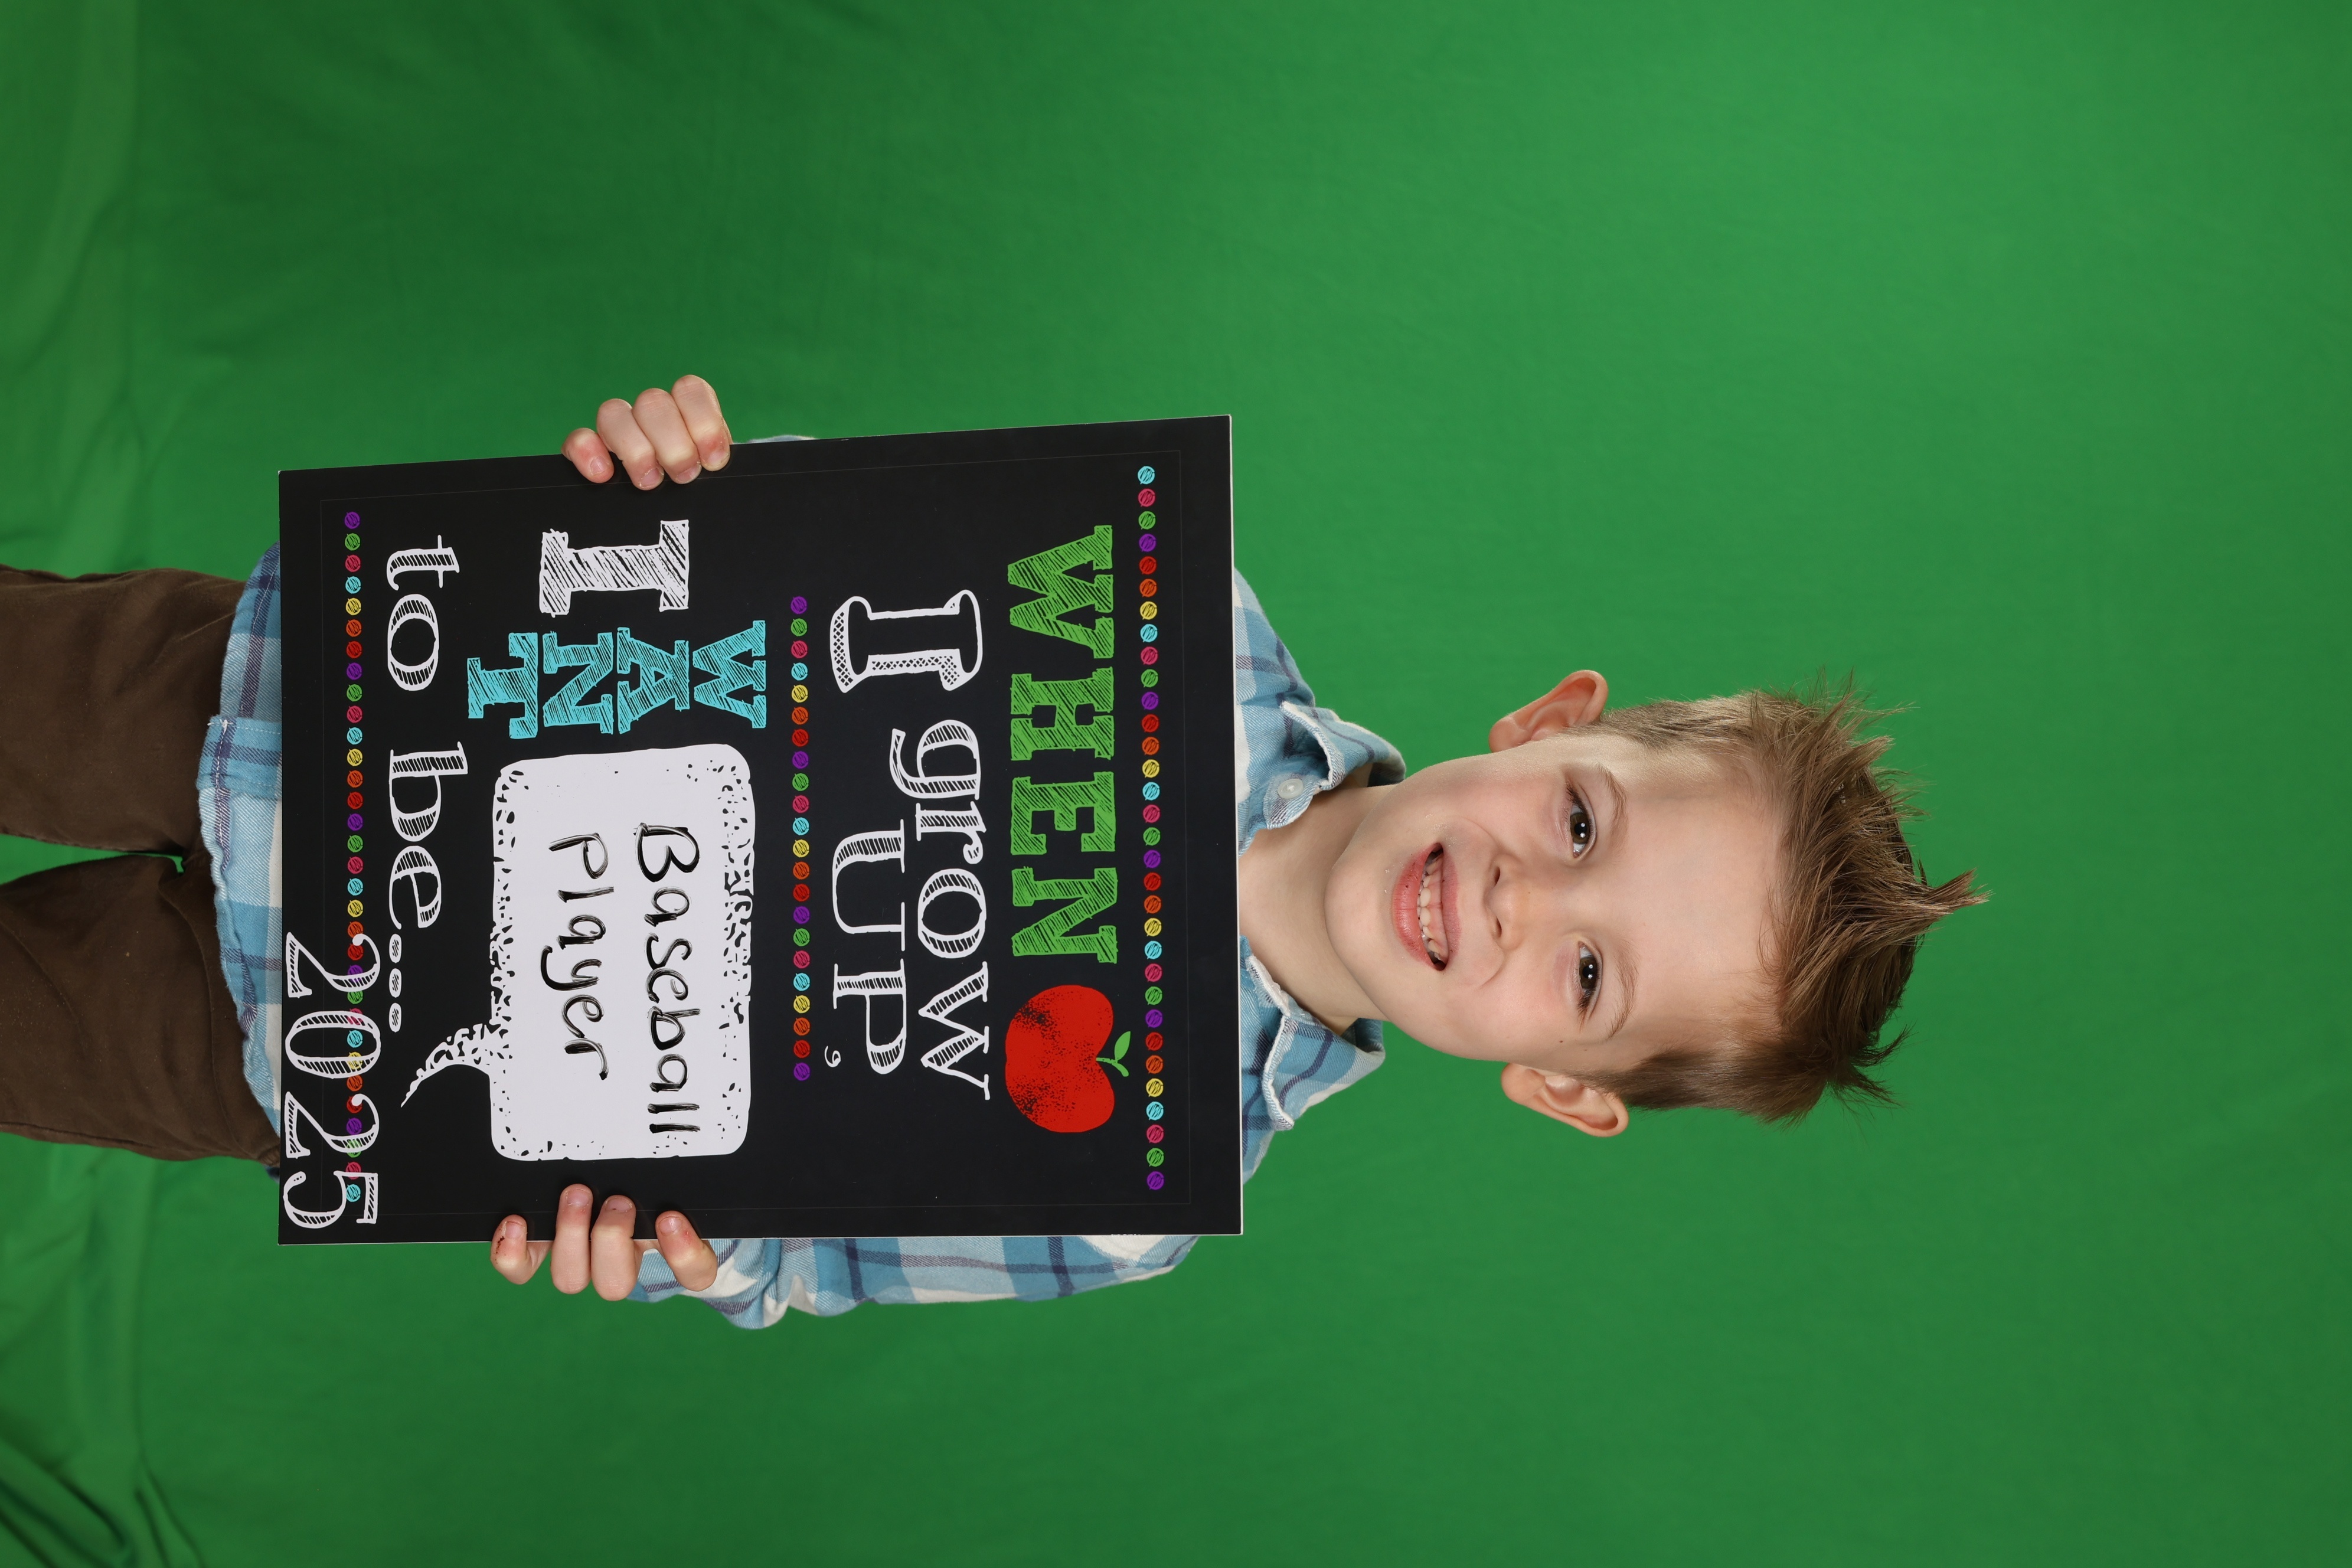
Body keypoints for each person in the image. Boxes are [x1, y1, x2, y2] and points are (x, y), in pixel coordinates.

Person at [0, 377, 1979, 1329]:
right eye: (1582, 823)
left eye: (1590, 975)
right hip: (292, 690)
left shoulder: (1129, 1199)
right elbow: (779, 564)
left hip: (312, 1052)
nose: (1528, 898)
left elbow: (800, 1256)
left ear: (1560, 1083)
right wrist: (666, 479)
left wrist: (672, 1244)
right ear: (1548, 726)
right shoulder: (1160, 601)